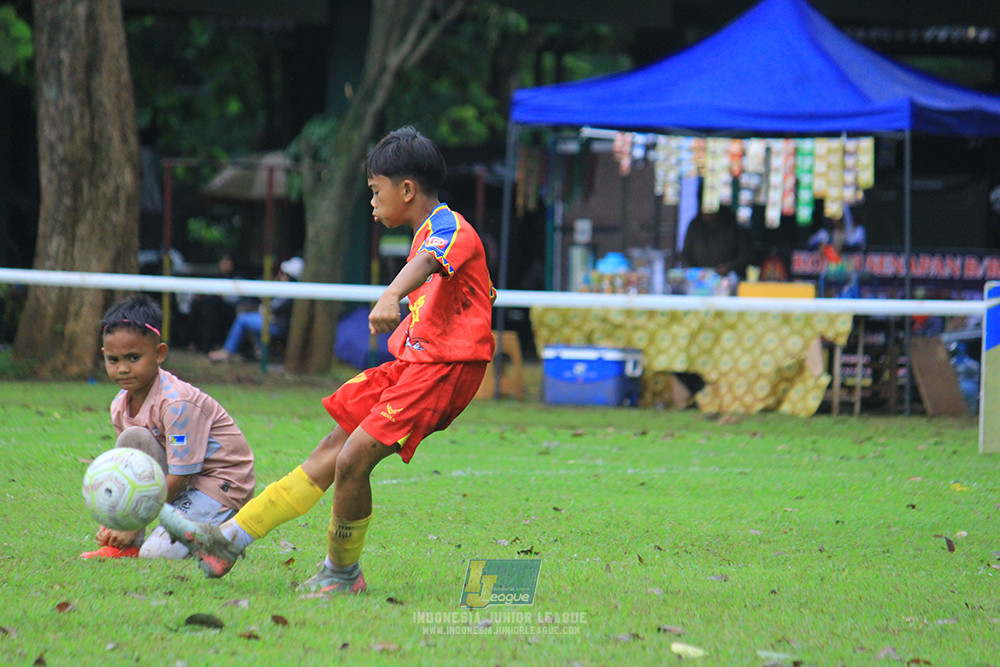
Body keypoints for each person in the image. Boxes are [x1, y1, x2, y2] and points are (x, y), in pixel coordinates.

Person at [160, 126, 497, 594]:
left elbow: (428, 263)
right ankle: (229, 540)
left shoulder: (449, 228)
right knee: (329, 453)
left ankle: (342, 574)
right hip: (412, 365)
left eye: (376, 192)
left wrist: (390, 296)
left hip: (445, 369)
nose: (373, 203)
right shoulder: (428, 232)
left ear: (406, 190)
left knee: (353, 460)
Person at [81, 295, 256, 559]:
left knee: (156, 554)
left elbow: (182, 474)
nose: (123, 369)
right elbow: (128, 471)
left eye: (133, 357)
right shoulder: (119, 404)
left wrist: (135, 522)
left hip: (219, 484)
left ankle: (227, 533)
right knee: (133, 439)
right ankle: (127, 546)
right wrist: (115, 520)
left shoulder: (176, 403)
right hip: (181, 480)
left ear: (159, 353)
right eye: (114, 360)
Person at [208, 256, 302, 363]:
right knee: (250, 318)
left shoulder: (288, 292)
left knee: (243, 319)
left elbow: (271, 308)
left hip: (276, 325)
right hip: (273, 321)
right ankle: (261, 353)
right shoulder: (288, 290)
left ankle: (227, 352)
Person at [679, 207, 755, 278]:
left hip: (726, 278)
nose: (710, 215)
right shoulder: (695, 225)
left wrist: (728, 267)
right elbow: (685, 255)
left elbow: (745, 256)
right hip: (698, 279)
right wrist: (694, 272)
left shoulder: (732, 227)